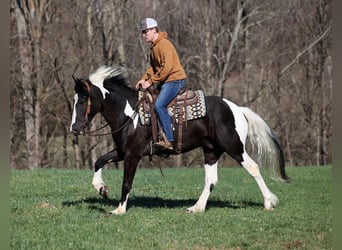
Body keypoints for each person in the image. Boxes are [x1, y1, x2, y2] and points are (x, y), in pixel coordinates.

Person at [135, 17, 187, 151]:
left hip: (175, 80)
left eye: (146, 31)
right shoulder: (154, 48)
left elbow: (167, 68)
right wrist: (143, 79)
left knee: (159, 105)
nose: (144, 35)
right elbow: (152, 68)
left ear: (154, 30)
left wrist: (151, 81)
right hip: (165, 81)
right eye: (143, 32)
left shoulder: (164, 44)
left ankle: (168, 140)